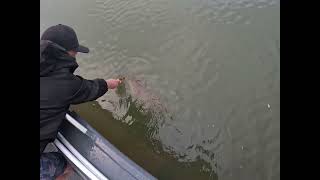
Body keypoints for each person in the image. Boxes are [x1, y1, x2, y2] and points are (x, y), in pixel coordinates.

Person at [40, 24, 122, 180]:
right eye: (75, 51)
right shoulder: (66, 84)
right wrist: (110, 83)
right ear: (64, 53)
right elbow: (91, 88)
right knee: (68, 164)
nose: (76, 54)